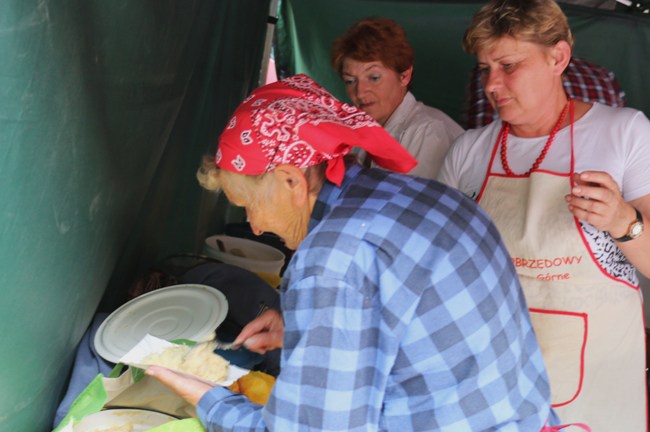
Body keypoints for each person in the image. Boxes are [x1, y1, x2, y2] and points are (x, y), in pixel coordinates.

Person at [145, 73, 559, 431]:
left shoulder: (332, 264)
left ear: (292, 181)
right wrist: (302, 330)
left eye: (249, 204)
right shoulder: (431, 196)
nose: (254, 225)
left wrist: (206, 399)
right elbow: (416, 324)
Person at [437, 0, 650, 430]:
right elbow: (437, 264)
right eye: (484, 69)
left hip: (597, 380)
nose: (492, 84)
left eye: (508, 65)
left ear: (557, 57)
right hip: (494, 375)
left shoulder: (624, 133)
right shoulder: (468, 152)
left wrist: (623, 222)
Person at [330, 17, 463, 179]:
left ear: (404, 76)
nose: (360, 92)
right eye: (350, 81)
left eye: (374, 77)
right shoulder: (359, 133)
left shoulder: (428, 132)